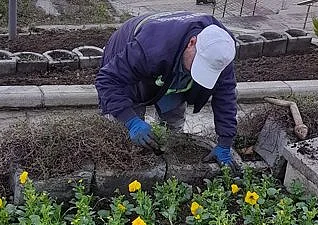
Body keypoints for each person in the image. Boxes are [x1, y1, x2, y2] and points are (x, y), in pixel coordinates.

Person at [95, 11, 238, 167]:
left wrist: (225, 142)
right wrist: (131, 121)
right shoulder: (150, 49)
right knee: (124, 133)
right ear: (192, 42)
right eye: (198, 64)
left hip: (170, 59)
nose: (195, 72)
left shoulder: (221, 49)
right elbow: (107, 80)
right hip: (131, 51)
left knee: (173, 124)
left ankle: (169, 151)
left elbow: (226, 96)